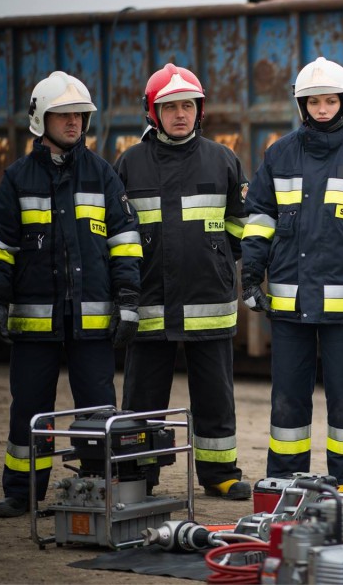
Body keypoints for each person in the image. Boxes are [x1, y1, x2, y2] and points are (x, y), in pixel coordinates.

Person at [0, 71, 141, 518]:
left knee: (96, 411)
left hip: (91, 322)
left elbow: (125, 242)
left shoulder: (103, 175)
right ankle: (22, 491)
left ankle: (96, 485)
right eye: (63, 115)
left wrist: (127, 301)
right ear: (40, 119)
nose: (74, 123)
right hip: (35, 324)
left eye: (79, 115)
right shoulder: (17, 179)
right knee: (30, 411)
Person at [240, 57, 343, 494]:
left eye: (330, 100)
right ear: (301, 104)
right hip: (289, 305)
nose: (322, 108)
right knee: (288, 397)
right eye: (314, 101)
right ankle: (286, 479)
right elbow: (259, 221)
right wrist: (251, 279)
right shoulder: (279, 154)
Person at [114, 64, 251, 500]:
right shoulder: (130, 164)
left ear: (199, 110)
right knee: (142, 398)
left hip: (207, 299)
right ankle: (139, 474)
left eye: (187, 106)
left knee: (215, 394)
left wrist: (214, 258)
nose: (179, 115)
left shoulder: (223, 158)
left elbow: (240, 226)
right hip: (151, 302)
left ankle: (219, 472)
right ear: (152, 113)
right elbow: (118, 234)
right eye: (169, 107)